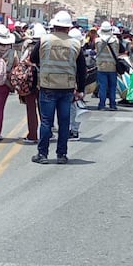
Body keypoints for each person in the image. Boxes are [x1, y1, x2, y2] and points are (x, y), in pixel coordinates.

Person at [29, 10, 86, 164]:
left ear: (54, 25)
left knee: (46, 122)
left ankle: (42, 154)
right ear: (68, 28)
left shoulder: (44, 40)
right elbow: (82, 69)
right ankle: (62, 154)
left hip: (47, 85)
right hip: (67, 88)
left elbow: (33, 58)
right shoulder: (76, 44)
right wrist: (80, 89)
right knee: (64, 122)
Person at [18, 23, 45, 144]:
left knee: (31, 108)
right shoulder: (47, 47)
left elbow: (22, 61)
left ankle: (32, 134)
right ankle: (46, 134)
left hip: (29, 81)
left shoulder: (28, 46)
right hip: (44, 81)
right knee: (44, 110)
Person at [94, 21, 120, 111]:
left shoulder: (97, 41)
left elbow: (96, 51)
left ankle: (102, 105)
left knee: (103, 86)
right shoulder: (116, 40)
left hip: (101, 66)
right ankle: (112, 104)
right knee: (112, 87)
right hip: (113, 66)